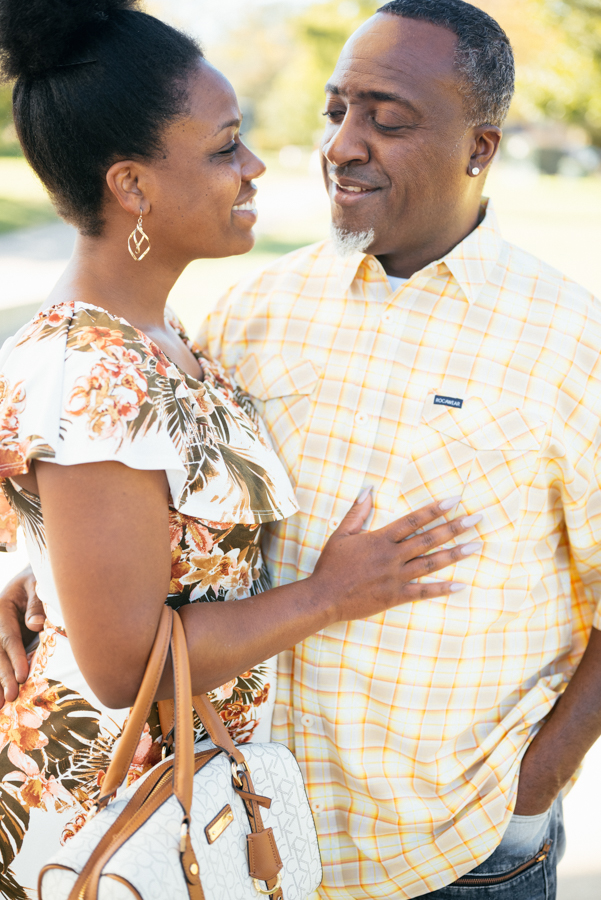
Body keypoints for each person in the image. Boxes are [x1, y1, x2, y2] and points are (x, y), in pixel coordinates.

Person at [3, 0, 601, 898]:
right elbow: (103, 474)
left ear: (479, 148)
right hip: (229, 843)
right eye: (335, 112)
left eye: (386, 119)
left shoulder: (570, 344)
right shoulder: (250, 311)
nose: (341, 145)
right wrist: (42, 572)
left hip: (451, 858)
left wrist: (532, 787)